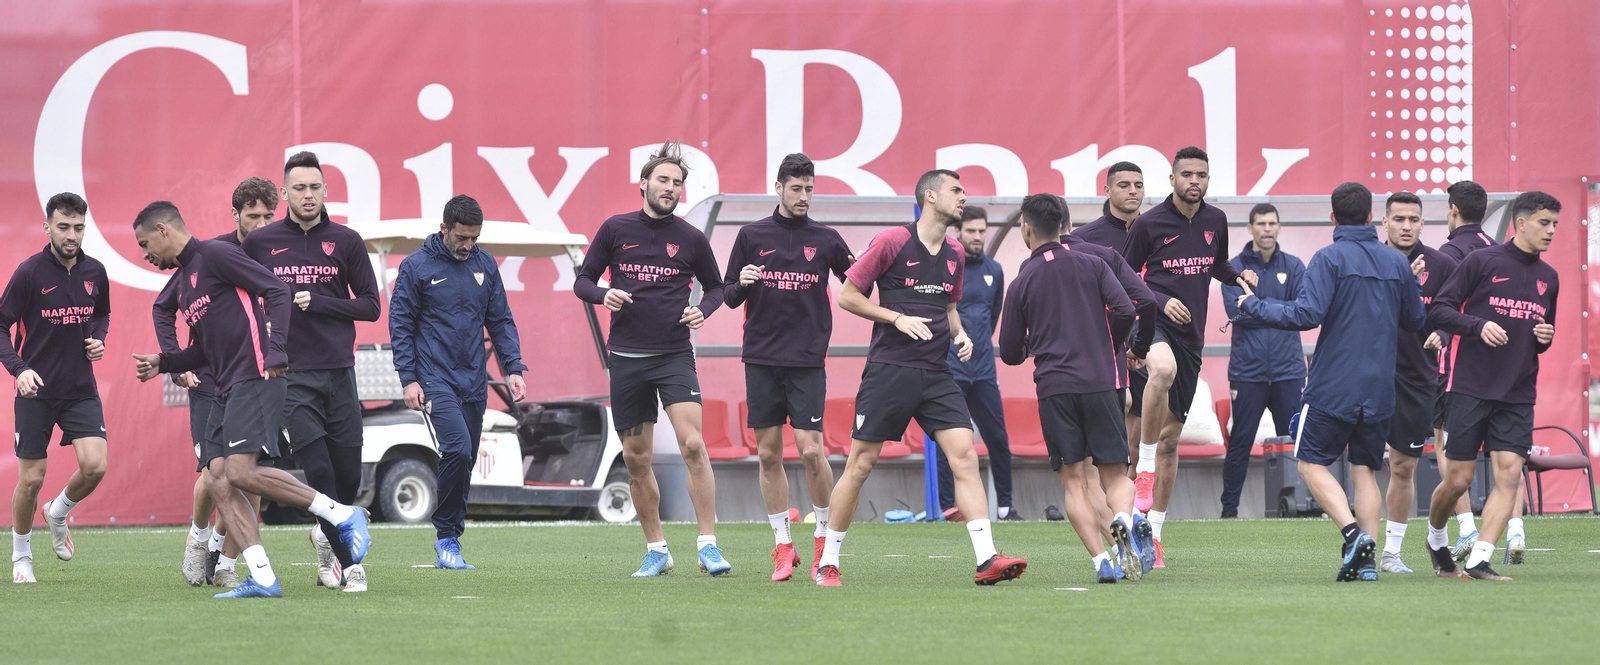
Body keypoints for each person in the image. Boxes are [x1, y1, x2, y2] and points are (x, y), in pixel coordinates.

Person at [131, 201, 371, 599]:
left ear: (162, 229)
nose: (145, 253)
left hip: (256, 376)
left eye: (145, 244)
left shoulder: (216, 254)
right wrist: (163, 362)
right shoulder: (187, 279)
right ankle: (261, 577)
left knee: (241, 472)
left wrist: (276, 350)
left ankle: (343, 515)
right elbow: (204, 350)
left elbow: (277, 289)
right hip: (224, 386)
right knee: (219, 476)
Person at [815, 169, 1027, 588]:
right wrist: (896, 317)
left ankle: (987, 558)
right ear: (930, 197)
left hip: (937, 373)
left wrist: (962, 335)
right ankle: (828, 561)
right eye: (956, 190)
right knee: (860, 465)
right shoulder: (892, 241)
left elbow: (949, 311)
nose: (964, 197)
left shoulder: (955, 253)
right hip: (889, 370)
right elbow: (848, 295)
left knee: (965, 455)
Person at [1237, 182, 1425, 582]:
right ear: (1374, 217)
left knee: (1309, 464)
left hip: (1332, 385)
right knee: (1365, 471)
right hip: (1379, 387)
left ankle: (1354, 535)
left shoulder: (1329, 257)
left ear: (1333, 218)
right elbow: (1415, 321)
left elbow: (1306, 314)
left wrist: (1253, 303)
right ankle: (1368, 563)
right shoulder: (1396, 264)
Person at [573, 140, 731, 577]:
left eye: (677, 183)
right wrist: (606, 294)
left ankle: (708, 545)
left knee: (693, 445)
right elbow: (583, 282)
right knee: (636, 458)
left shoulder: (691, 239)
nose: (671, 188)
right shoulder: (615, 229)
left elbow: (717, 288)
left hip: (674, 356)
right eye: (663, 180)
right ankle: (657, 549)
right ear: (643, 183)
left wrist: (705, 307)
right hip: (627, 359)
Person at [241, 152, 381, 592]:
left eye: (315, 187)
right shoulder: (261, 243)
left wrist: (320, 302)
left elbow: (372, 306)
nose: (307, 195)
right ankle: (351, 565)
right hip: (290, 376)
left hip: (340, 372)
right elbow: (239, 302)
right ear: (284, 193)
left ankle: (324, 533)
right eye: (299, 188)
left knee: (349, 477)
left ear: (326, 191)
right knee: (319, 472)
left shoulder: (346, 241)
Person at [999, 193, 1149, 584]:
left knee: (1072, 482)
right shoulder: (1094, 264)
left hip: (1054, 388)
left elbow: (1010, 352)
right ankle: (1121, 520)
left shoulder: (1021, 282)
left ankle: (1101, 561)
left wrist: (1038, 344)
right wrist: (1109, 343)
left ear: (1027, 229)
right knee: (1115, 477)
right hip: (1101, 381)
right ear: (1065, 224)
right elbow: (1129, 309)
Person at [1122, 147, 1258, 566]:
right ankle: (1141, 472)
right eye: (1187, 174)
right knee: (1161, 369)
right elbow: (1123, 277)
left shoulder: (1215, 221)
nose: (1194, 181)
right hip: (1154, 325)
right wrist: (1160, 301)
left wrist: (1238, 277)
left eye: (1201, 174)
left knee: (1170, 441)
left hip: (1191, 336)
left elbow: (1215, 264)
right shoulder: (1148, 224)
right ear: (1172, 179)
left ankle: (1154, 536)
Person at [720, 153, 851, 582]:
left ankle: (823, 543)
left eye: (810, 189)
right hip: (760, 357)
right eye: (796, 188)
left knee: (812, 451)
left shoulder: (827, 239)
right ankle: (782, 545)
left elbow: (857, 280)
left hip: (807, 361)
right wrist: (743, 281)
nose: (804, 196)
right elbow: (729, 294)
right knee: (768, 453)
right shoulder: (751, 235)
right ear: (778, 188)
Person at [1424, 191, 1561, 582]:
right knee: (1459, 480)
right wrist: (1478, 325)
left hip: (1517, 391)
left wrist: (1545, 337)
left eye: (1554, 224)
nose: (1550, 231)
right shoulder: (1481, 261)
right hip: (1469, 386)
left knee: (1510, 475)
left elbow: (1539, 334)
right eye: (1543, 223)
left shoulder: (1548, 278)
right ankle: (1436, 540)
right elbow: (1440, 310)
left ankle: (1477, 560)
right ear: (1520, 223)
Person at [390, 195, 527, 571]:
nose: (468, 245)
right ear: (444, 229)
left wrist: (513, 367)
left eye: (474, 237)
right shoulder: (416, 267)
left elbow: (500, 320)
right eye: (462, 237)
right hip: (434, 378)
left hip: (473, 379)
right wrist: (409, 379)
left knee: (465, 461)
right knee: (458, 448)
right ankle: (446, 537)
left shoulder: (485, 263)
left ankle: (452, 539)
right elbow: (400, 325)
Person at [160, 177, 276, 587]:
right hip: (211, 377)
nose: (260, 224)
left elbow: (278, 302)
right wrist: (174, 364)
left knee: (250, 474)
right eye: (252, 215)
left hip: (257, 377)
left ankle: (226, 565)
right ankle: (199, 535)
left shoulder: (277, 252)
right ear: (235, 214)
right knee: (216, 476)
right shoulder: (211, 253)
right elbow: (163, 307)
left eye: (268, 216)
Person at [1, 192, 110, 584]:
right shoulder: (29, 273)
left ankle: (59, 511)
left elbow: (101, 313)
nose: (71, 235)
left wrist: (98, 338)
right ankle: (21, 555)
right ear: (47, 226)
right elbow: (1, 326)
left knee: (96, 467)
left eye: (79, 227)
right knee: (30, 479)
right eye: (63, 227)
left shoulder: (95, 271)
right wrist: (19, 369)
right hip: (36, 392)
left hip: (81, 387)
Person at [1374, 191, 1466, 574]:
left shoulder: (1443, 265)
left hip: (1418, 378)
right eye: (1399, 219)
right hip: (1370, 374)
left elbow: (1452, 313)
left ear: (1423, 223)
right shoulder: (1370, 261)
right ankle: (1363, 548)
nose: (1406, 226)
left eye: (1413, 219)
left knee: (1402, 466)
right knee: (1362, 463)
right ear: (1385, 223)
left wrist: (1443, 334)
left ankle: (1392, 553)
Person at [1061, 204, 1156, 576]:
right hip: (1110, 376)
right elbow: (1143, 301)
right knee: (1115, 472)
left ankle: (1116, 547)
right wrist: (1127, 348)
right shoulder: (1105, 257)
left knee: (1081, 478)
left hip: (1062, 379)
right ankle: (1127, 521)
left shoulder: (1041, 266)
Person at [1217, 204, 1306, 518]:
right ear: (1250, 228)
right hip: (1248, 372)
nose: (1267, 229)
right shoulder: (1234, 267)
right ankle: (1229, 513)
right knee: (1240, 443)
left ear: (1279, 228)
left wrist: (1256, 305)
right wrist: (1277, 310)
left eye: (1272, 223)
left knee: (1294, 446)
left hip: (1288, 371)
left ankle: (1299, 508)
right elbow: (1236, 313)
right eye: (1261, 223)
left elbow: (1301, 313)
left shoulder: (1294, 266)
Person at [934, 205, 1015, 521]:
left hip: (983, 372)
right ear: (958, 232)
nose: (978, 236)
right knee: (950, 441)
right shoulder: (946, 266)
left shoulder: (994, 271)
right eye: (971, 231)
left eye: (982, 231)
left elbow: (992, 318)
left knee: (998, 439)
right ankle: (948, 508)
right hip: (951, 370)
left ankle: (1006, 509)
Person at [1432, 180, 1495, 558]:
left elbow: (1443, 308)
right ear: (1484, 213)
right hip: (1494, 361)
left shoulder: (1449, 252)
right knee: (1502, 449)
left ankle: (1467, 527)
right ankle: (1515, 531)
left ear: (1452, 209)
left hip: (1455, 360)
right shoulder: (1498, 249)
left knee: (1445, 443)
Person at [1073, 162, 1146, 464]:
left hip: (1151, 337)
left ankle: (1135, 507)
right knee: (1108, 430)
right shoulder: (1084, 239)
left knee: (1141, 437)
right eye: (1124, 185)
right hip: (1105, 339)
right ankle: (1109, 506)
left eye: (1138, 185)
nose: (1133, 191)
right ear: (1106, 191)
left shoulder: (1158, 231)